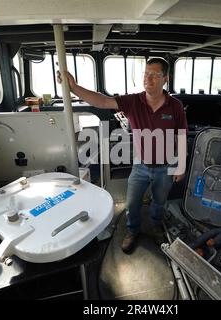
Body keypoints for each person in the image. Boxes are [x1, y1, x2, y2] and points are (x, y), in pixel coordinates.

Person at [57, 57, 187, 254]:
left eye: (154, 75)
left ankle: (155, 226)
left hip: (166, 166)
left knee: (159, 202)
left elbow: (182, 135)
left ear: (165, 79)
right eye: (146, 74)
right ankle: (132, 231)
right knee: (132, 203)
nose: (148, 79)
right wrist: (74, 87)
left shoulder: (175, 106)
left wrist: (181, 165)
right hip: (140, 165)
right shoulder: (133, 101)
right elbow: (102, 101)